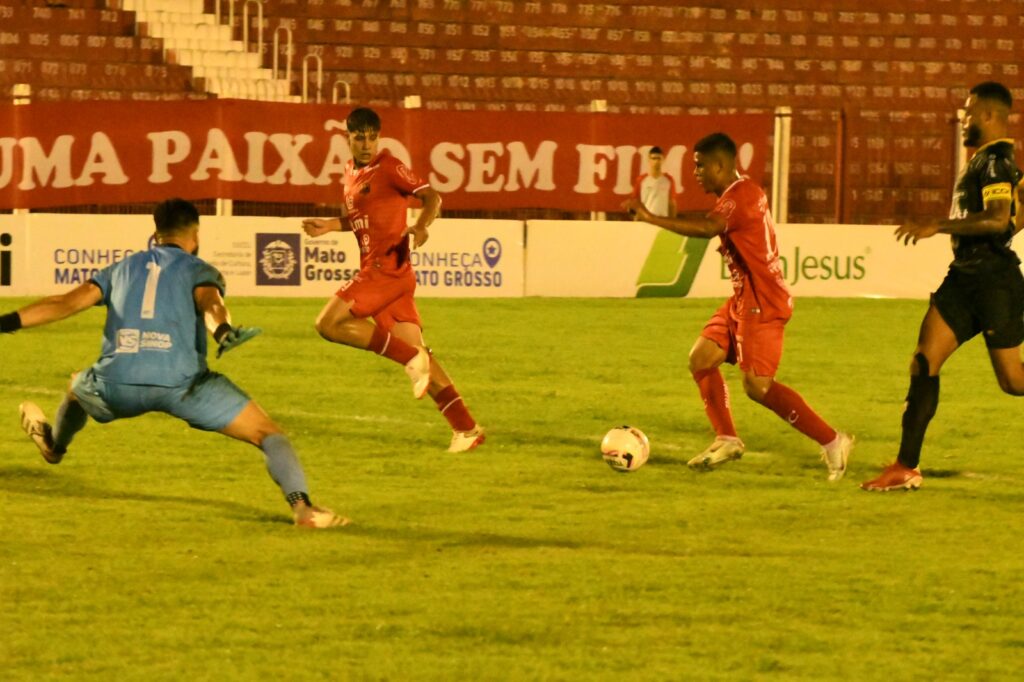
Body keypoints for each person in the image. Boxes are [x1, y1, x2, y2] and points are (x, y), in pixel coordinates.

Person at [0, 199, 346, 529]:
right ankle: (303, 508)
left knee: (78, 386)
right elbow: (211, 303)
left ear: (156, 234)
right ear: (195, 234)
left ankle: (54, 447)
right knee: (269, 435)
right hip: (183, 387)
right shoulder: (199, 269)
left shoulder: (121, 268)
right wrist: (223, 331)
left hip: (118, 384)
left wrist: (5, 322)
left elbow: (64, 303)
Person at [623, 132, 853, 480]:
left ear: (719, 165)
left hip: (762, 301)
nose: (695, 173)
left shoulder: (740, 196)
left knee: (758, 387)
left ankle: (833, 441)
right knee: (701, 359)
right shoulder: (742, 192)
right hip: (744, 298)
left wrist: (649, 216)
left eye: (700, 166)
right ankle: (727, 438)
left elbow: (708, 228)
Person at [862, 82, 1024, 491]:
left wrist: (937, 225)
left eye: (969, 113)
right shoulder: (988, 161)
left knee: (1014, 382)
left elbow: (996, 219)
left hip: (993, 283)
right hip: (964, 278)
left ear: (989, 115)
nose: (964, 120)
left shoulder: (995, 161)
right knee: (924, 360)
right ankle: (905, 467)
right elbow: (1011, 216)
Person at [301, 107, 484, 453]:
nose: (367, 144)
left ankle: (410, 359)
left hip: (386, 270)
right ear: (348, 138)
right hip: (387, 274)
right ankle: (466, 428)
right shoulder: (351, 171)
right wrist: (330, 225)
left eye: (372, 138)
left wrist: (421, 226)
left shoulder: (388, 166)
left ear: (379, 138)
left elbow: (432, 196)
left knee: (327, 324)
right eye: (360, 138)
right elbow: (363, 216)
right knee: (420, 356)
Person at [631, 146, 679, 218]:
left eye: (659, 158)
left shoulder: (669, 180)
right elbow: (635, 202)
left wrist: (672, 221)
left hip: (662, 220)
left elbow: (672, 204)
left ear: (663, 160)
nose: (656, 161)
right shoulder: (641, 180)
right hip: (645, 220)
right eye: (654, 158)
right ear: (649, 159)